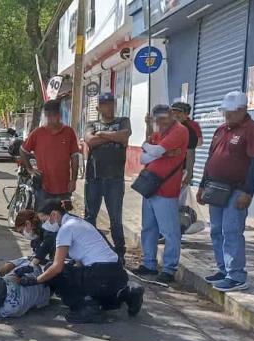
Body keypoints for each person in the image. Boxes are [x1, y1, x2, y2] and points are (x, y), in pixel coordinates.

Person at [18, 200, 144, 323]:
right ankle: (129, 293)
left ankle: (86, 308)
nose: (45, 225)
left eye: (44, 220)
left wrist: (35, 280)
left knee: (54, 272)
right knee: (102, 299)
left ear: (54, 215)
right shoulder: (79, 222)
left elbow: (57, 267)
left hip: (100, 275)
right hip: (116, 273)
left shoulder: (65, 229)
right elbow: (81, 260)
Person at [196, 91, 254, 292]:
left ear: (243, 110)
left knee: (231, 231)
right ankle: (223, 269)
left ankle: (236, 275)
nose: (226, 115)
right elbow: (211, 159)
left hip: (237, 189)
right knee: (216, 230)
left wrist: (248, 191)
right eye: (225, 112)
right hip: (215, 188)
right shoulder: (221, 130)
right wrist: (203, 185)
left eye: (231, 112)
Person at [131, 105, 189, 284]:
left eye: (164, 119)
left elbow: (153, 151)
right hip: (150, 187)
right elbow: (143, 156)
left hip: (166, 189)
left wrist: (155, 152)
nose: (161, 123)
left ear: (172, 116)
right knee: (148, 228)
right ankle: (149, 264)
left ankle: (169, 269)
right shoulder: (160, 132)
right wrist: (158, 152)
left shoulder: (179, 131)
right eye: (158, 120)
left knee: (169, 231)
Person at [83, 92, 131, 256]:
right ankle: (90, 250)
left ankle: (119, 253)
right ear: (98, 108)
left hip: (115, 179)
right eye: (105, 104)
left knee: (115, 219)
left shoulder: (123, 121)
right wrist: (114, 138)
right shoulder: (91, 124)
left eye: (111, 103)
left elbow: (124, 136)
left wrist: (102, 134)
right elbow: (89, 141)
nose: (109, 107)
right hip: (94, 178)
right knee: (90, 217)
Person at [20, 99, 81, 210]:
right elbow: (23, 150)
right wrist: (30, 169)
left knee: (62, 221)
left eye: (51, 116)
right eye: (46, 116)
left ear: (58, 115)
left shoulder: (69, 132)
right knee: (42, 219)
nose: (48, 119)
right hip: (43, 187)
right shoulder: (38, 133)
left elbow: (75, 157)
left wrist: (74, 180)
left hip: (64, 187)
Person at [170, 101, 201, 186]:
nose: (175, 115)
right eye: (173, 112)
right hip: (167, 171)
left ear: (186, 114)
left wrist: (187, 176)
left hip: (180, 173)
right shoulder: (169, 128)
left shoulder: (189, 131)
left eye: (179, 112)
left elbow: (190, 155)